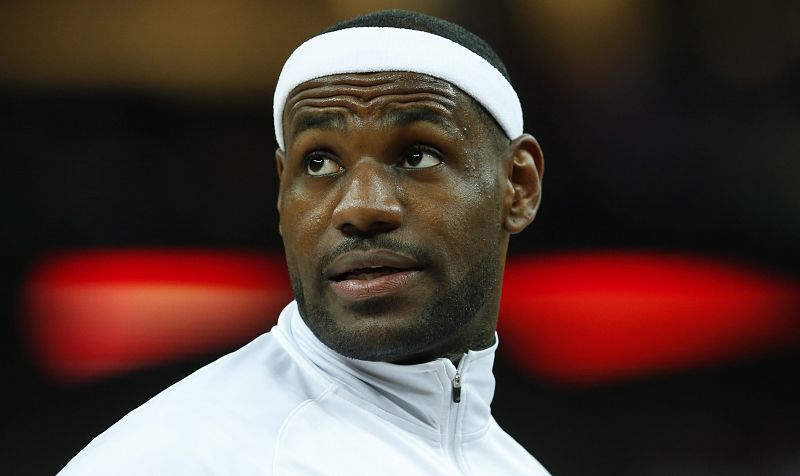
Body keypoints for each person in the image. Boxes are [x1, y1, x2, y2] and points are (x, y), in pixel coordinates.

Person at [59, 9, 548, 475]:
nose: (360, 207)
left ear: (518, 186)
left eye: (417, 156)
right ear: (280, 190)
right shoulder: (175, 458)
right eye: (319, 164)